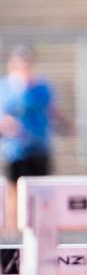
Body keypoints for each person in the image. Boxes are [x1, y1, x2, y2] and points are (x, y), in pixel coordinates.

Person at [2, 46, 58, 236]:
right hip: (16, 149)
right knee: (15, 189)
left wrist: (65, 125)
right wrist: (9, 125)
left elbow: (51, 109)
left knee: (42, 189)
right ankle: (12, 230)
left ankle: (41, 229)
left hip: (39, 145)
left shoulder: (41, 87)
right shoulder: (6, 87)